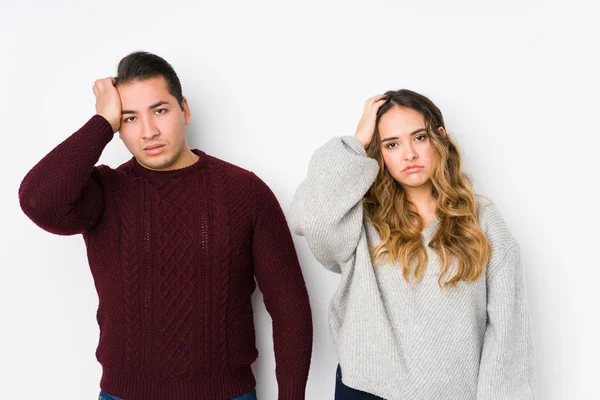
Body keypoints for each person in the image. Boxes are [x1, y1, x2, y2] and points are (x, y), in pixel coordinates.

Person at [19, 51, 313, 400]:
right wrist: (100, 123)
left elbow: (288, 304)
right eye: (128, 118)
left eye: (159, 111)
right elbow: (38, 200)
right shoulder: (102, 194)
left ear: (184, 110)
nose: (148, 131)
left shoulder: (244, 192)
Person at [290, 90, 536, 399]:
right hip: (366, 389)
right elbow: (310, 218)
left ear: (440, 138)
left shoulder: (482, 220)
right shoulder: (361, 217)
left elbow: (506, 331)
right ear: (379, 153)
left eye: (419, 138)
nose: (409, 154)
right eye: (391, 144)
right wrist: (355, 143)